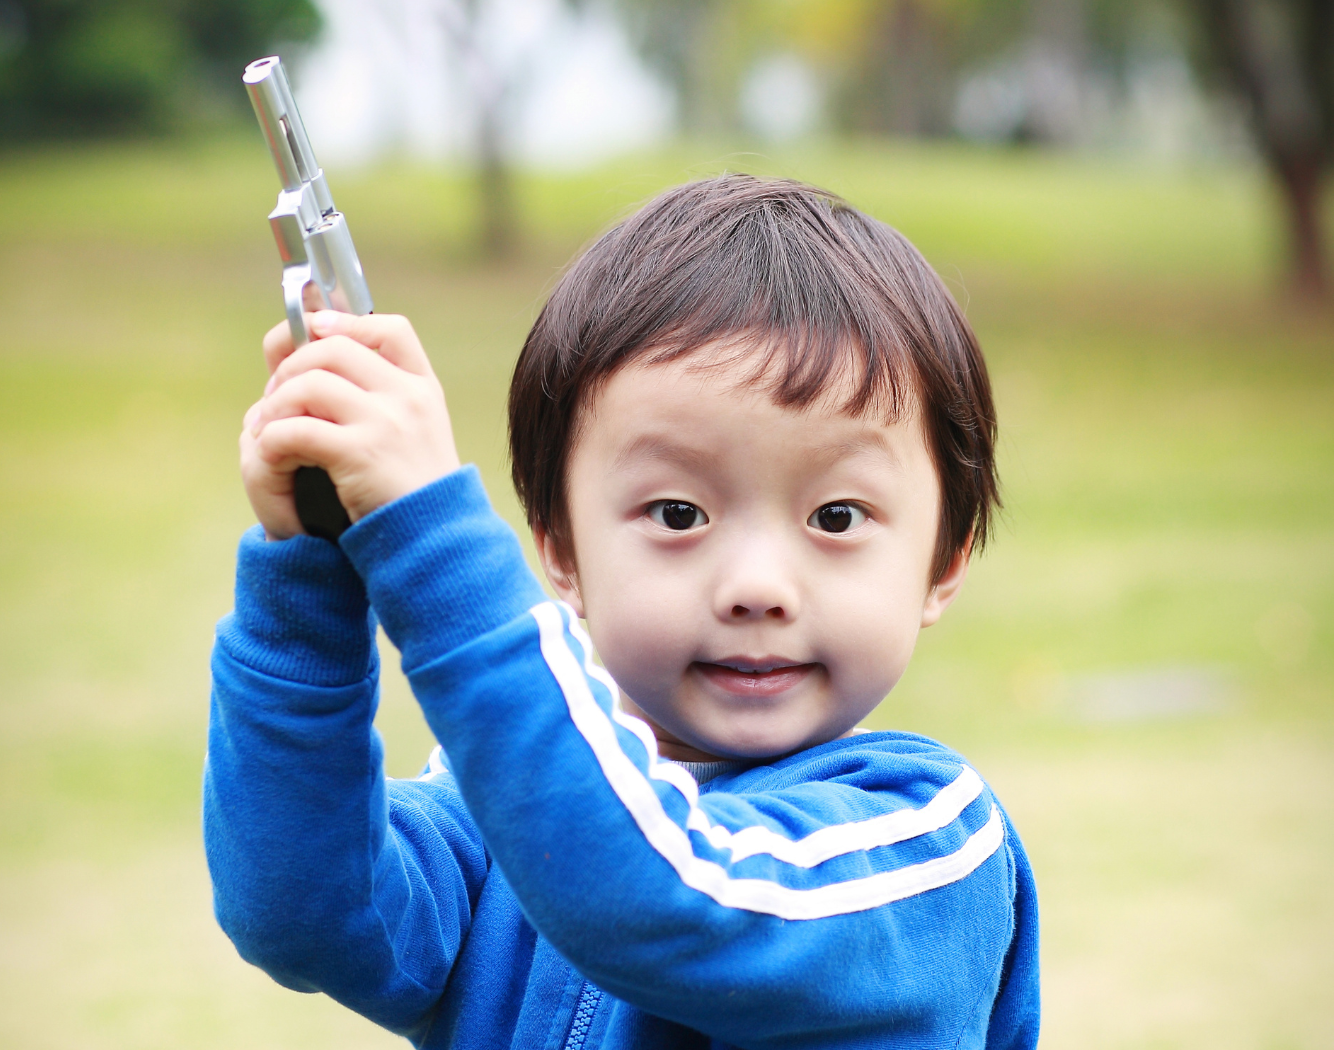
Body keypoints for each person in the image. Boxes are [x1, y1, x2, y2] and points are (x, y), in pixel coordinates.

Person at [205, 174, 1040, 1049]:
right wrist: (308, 567)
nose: (758, 586)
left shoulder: (925, 847)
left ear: (943, 562)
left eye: (836, 517)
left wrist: (432, 540)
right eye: (678, 514)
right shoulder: (494, 812)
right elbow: (302, 914)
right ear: (562, 551)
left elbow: (664, 895)